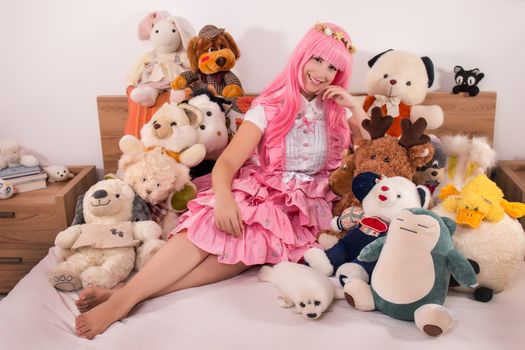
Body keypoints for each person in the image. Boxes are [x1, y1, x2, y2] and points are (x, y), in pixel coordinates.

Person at [75, 22, 367, 339]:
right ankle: (124, 300)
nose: (322, 73)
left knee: (244, 249)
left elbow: (374, 151)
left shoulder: (340, 112)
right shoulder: (270, 106)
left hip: (303, 208)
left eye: (333, 67)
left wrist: (354, 107)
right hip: (263, 191)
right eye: (318, 60)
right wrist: (224, 198)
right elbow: (228, 161)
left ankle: (125, 294)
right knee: (208, 227)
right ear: (302, 56)